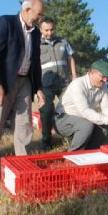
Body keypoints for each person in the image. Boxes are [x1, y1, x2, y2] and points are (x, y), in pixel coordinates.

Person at [0, 0, 45, 185]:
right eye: (38, 14)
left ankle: (22, 164)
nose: (40, 19)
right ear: (26, 10)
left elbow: (36, 63)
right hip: (3, 82)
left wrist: (38, 88)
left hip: (24, 82)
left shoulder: (35, 33)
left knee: (24, 124)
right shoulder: (5, 22)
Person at [54, 61, 108, 150]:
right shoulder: (78, 84)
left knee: (104, 125)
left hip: (81, 118)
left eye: (107, 77)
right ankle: (74, 156)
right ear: (92, 73)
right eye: (103, 76)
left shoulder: (103, 86)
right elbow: (84, 111)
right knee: (86, 125)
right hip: (62, 119)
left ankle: (90, 152)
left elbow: (106, 107)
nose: (105, 80)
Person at [38, 17, 77, 150]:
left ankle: (72, 136)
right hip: (45, 85)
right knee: (47, 110)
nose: (50, 32)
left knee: (71, 109)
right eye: (46, 30)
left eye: (52, 29)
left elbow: (70, 58)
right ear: (41, 30)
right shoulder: (36, 45)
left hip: (64, 83)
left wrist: (74, 76)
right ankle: (46, 140)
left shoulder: (63, 42)